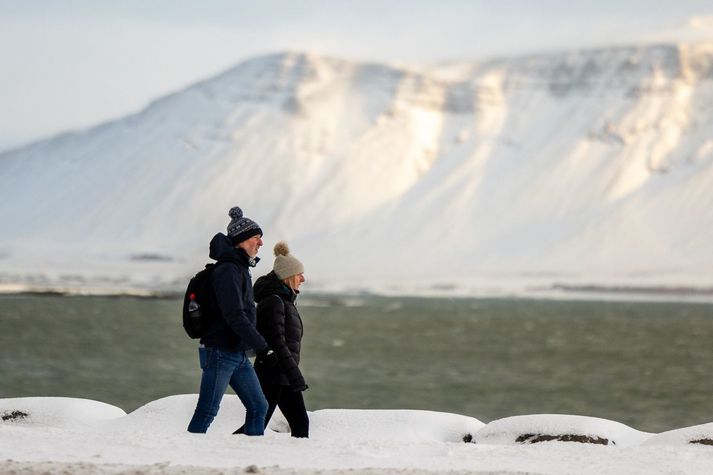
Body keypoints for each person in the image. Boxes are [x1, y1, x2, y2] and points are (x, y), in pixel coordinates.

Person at [187, 206, 278, 435]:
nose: (261, 243)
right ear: (242, 240)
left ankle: (250, 453)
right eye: (256, 238)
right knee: (207, 411)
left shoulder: (239, 268)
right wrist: (262, 346)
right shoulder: (228, 270)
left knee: (259, 407)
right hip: (220, 352)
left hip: (237, 353)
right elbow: (234, 315)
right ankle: (187, 454)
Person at [235, 241, 309, 437]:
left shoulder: (285, 302)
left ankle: (295, 463)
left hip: (282, 373)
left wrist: (291, 373)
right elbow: (277, 342)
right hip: (274, 372)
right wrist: (294, 375)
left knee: (299, 424)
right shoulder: (274, 302)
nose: (303, 278)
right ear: (288, 276)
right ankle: (223, 452)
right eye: (299, 274)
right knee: (257, 424)